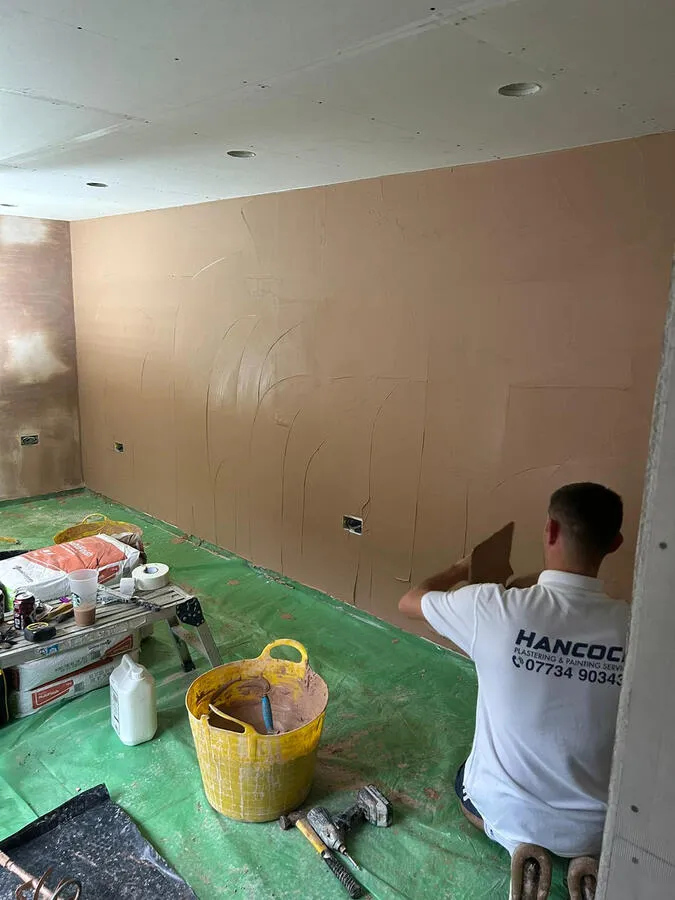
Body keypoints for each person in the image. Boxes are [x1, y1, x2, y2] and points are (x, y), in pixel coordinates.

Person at [399, 483, 629, 876]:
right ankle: (583, 858)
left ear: (550, 531)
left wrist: (460, 569)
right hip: (598, 827)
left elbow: (409, 601)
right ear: (615, 544)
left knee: (467, 777)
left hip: (501, 809)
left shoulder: (490, 608)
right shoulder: (633, 627)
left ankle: (517, 842)